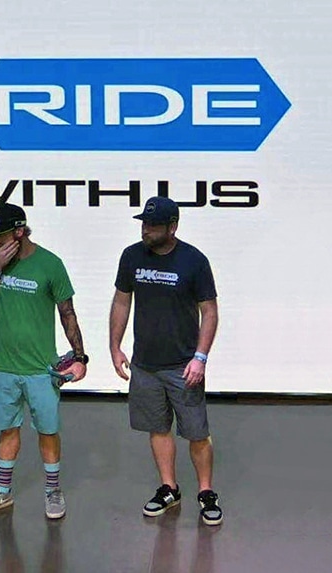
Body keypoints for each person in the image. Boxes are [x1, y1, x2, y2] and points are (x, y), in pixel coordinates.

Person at [109, 196, 223, 526]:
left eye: (154, 225)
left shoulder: (194, 261)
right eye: (144, 223)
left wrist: (200, 357)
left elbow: (209, 311)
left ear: (172, 227)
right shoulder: (131, 256)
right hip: (145, 364)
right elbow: (121, 302)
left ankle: (206, 491)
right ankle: (169, 488)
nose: (146, 230)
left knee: (197, 432)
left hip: (183, 365)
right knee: (158, 428)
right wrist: (115, 347)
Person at [0, 203, 88, 520]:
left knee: (48, 431)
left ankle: (53, 491)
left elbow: (67, 313)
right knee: (7, 429)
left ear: (20, 232)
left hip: (41, 369)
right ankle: (3, 492)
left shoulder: (50, 264)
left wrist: (79, 357)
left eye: (1, 234)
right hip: (4, 365)